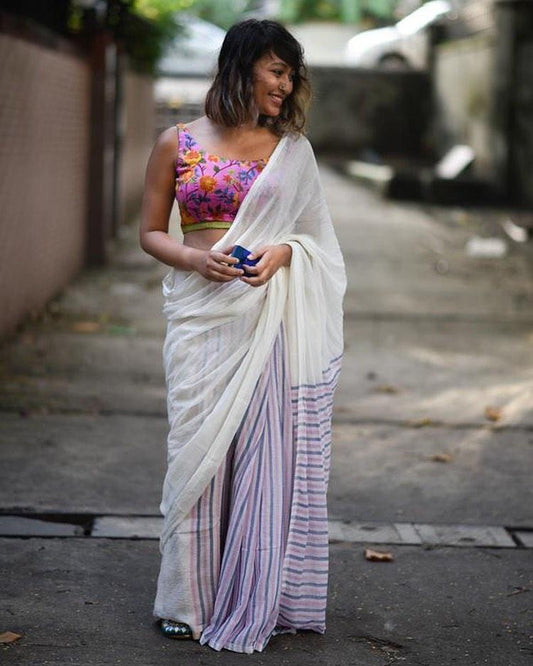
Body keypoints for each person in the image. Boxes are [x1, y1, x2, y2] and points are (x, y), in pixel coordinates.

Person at [139, 18, 346, 654]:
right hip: (202, 317)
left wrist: (284, 256)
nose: (287, 85)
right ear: (243, 65)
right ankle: (185, 599)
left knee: (260, 456)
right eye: (277, 71)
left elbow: (316, 240)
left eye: (291, 75)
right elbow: (150, 233)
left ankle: (255, 590)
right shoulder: (177, 142)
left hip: (269, 320)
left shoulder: (293, 151)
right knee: (194, 453)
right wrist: (197, 261)